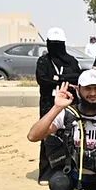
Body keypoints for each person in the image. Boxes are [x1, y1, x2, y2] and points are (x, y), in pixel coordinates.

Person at [35, 27, 82, 178]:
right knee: (47, 135)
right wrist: (63, 79)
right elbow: (43, 79)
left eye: (59, 43)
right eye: (53, 43)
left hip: (69, 105)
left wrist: (57, 78)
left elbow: (78, 76)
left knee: (69, 135)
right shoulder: (44, 61)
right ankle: (47, 171)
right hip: (49, 104)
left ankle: (69, 167)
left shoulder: (71, 61)